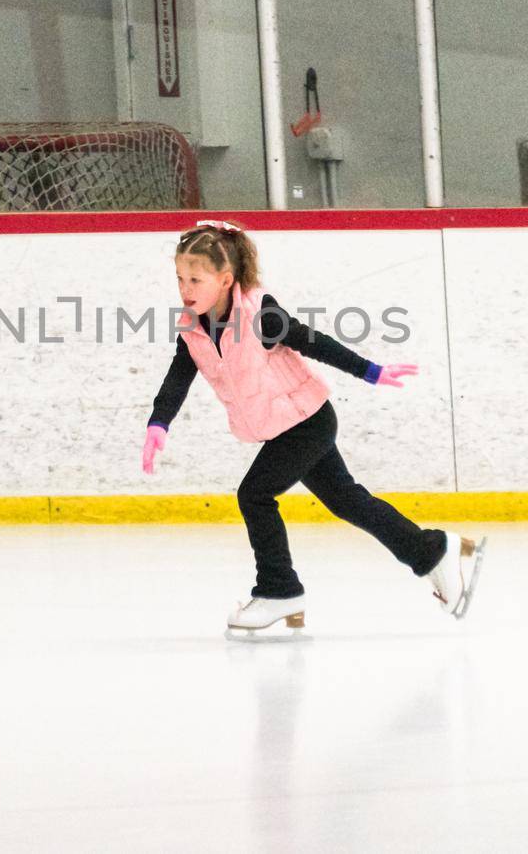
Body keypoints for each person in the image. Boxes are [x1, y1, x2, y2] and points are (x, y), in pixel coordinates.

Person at [142, 219, 486, 638]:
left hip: (307, 422)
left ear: (225, 279)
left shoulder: (258, 313)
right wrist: (159, 422)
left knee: (254, 494)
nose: (186, 288)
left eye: (196, 278)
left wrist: (370, 371)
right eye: (180, 278)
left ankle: (279, 590)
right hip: (285, 426)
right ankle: (433, 551)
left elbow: (311, 340)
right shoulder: (192, 328)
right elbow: (179, 376)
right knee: (347, 500)